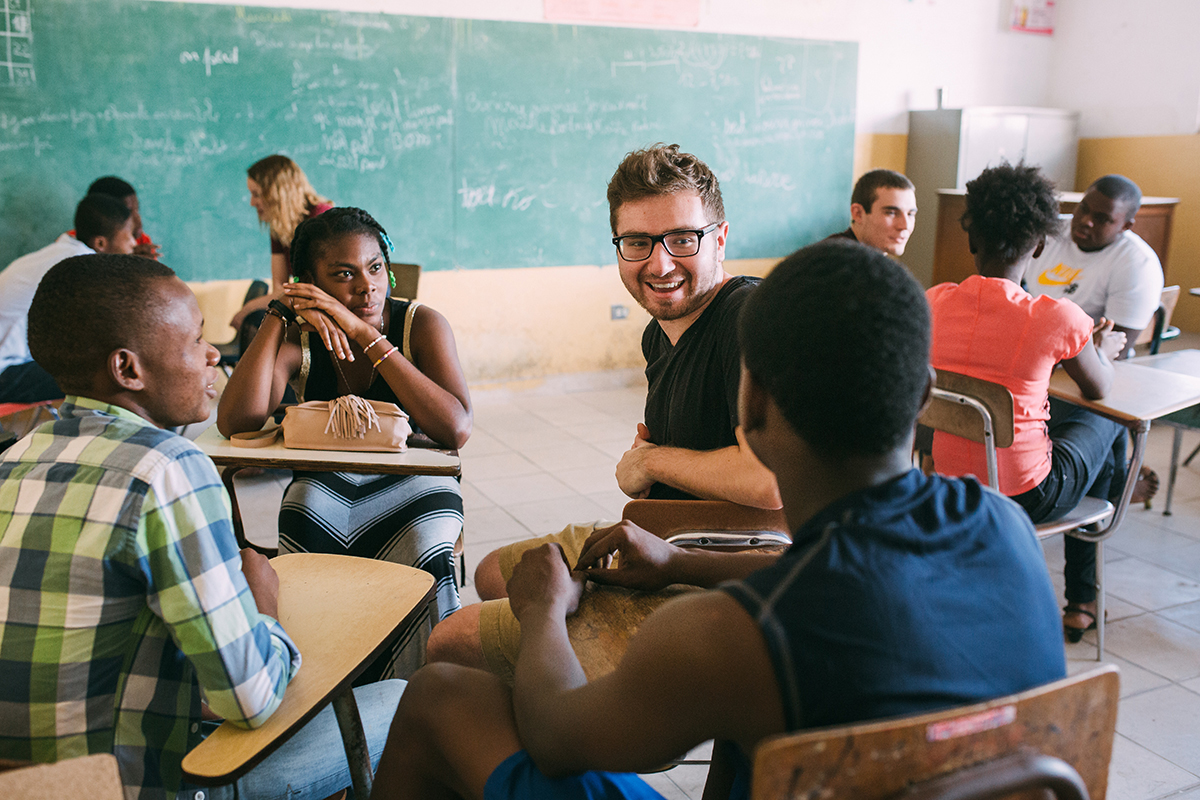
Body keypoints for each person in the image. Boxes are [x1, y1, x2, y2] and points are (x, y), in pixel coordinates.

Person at [368, 239, 1068, 800]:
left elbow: (557, 737)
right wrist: (683, 562)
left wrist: (543, 609)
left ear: (752, 407)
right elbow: (836, 574)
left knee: (442, 695)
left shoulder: (729, 634)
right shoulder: (1004, 526)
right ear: (921, 395)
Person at [0, 254, 404, 800]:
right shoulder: (167, 468)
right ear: (128, 370)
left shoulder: (15, 457)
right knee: (402, 701)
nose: (214, 354)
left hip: (25, 785)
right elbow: (250, 698)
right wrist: (263, 601)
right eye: (195, 340)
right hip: (137, 786)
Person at [425, 143, 780, 678]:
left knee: (447, 640)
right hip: (659, 533)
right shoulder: (658, 337)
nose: (660, 264)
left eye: (682, 239)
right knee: (494, 573)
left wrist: (654, 462)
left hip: (712, 575)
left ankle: (588, 721)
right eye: (638, 242)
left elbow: (768, 481)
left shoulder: (746, 317)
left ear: (721, 238)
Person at [218, 206, 472, 679]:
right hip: (326, 481)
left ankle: (423, 680)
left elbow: (455, 428)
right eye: (343, 275)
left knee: (423, 545)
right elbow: (238, 420)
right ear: (309, 283)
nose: (366, 287)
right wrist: (280, 311)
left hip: (419, 479)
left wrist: (366, 337)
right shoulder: (303, 338)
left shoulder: (422, 325)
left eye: (375, 268)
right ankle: (325, 674)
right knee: (305, 522)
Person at [926, 162, 1129, 642]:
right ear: (1039, 245)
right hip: (1025, 494)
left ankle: (1080, 597)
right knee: (1108, 422)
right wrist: (1102, 352)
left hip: (947, 484)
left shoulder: (933, 302)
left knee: (1057, 420)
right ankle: (1081, 597)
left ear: (972, 239)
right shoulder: (1057, 317)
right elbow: (1099, 388)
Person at [0, 193, 137, 404]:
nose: (133, 244)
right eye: (128, 236)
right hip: (5, 373)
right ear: (100, 243)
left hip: (12, 365)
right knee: (106, 373)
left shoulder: (61, 253)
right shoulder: (80, 266)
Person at [1023, 174, 1163, 359]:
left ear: (1125, 226)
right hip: (1030, 347)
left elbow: (1114, 349)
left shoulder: (1138, 264)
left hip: (1084, 364)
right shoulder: (1050, 233)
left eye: (1101, 218)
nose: (1086, 221)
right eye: (1083, 209)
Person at [230, 154, 334, 333]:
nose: (252, 203)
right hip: (304, 304)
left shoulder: (320, 218)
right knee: (259, 320)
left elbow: (315, 289)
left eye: (257, 194)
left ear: (278, 193)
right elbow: (280, 286)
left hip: (326, 307)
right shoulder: (280, 226)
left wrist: (248, 308)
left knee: (257, 319)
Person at [825, 168, 918, 256]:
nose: (905, 226)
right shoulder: (834, 261)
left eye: (910, 214)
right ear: (858, 214)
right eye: (891, 213)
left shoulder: (874, 263)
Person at [78, 175, 162, 259]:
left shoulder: (143, 242)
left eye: (137, 210)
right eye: (128, 212)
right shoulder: (78, 247)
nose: (138, 220)